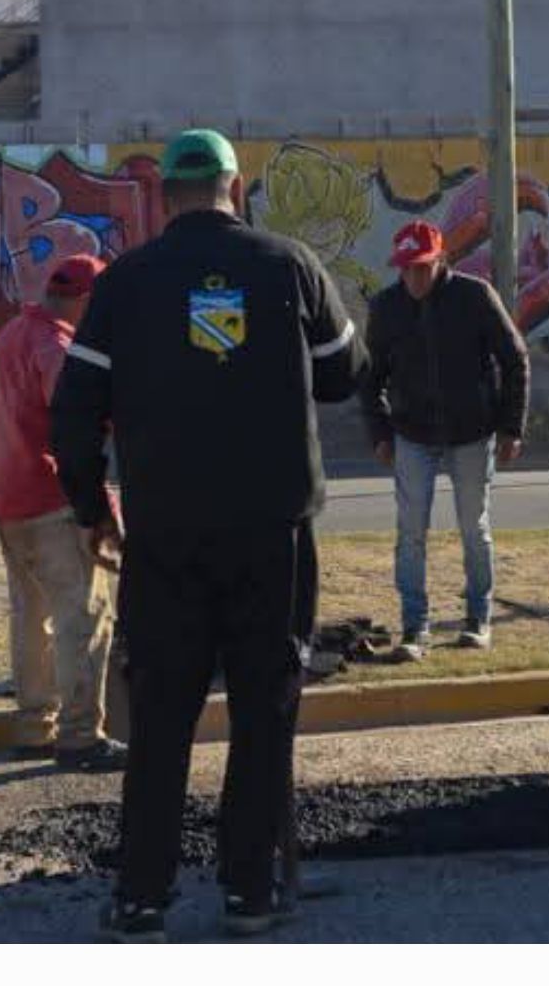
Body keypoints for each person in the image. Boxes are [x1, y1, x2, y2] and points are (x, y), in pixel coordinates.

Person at [50, 127, 366, 941]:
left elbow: (73, 412)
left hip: (166, 537)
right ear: (238, 185)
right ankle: (250, 893)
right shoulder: (289, 264)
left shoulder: (126, 283)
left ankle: (142, 898)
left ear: (163, 196)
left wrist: (92, 510)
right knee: (264, 710)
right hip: (272, 532)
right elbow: (343, 373)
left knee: (161, 716)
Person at [0, 249, 122, 769]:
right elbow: (76, 425)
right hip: (51, 500)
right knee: (83, 617)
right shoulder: (57, 347)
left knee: (31, 616)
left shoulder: (12, 335)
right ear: (86, 301)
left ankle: (34, 727)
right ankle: (81, 735)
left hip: (5, 498)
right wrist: (102, 504)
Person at [362, 218, 528, 658]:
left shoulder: (475, 297)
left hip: (472, 433)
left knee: (474, 529)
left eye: (422, 267)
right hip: (411, 434)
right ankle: (415, 628)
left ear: (441, 260)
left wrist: (511, 427)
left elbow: (515, 359)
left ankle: (478, 619)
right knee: (410, 533)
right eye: (406, 268)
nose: (414, 278)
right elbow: (370, 378)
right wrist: (380, 433)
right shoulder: (386, 307)